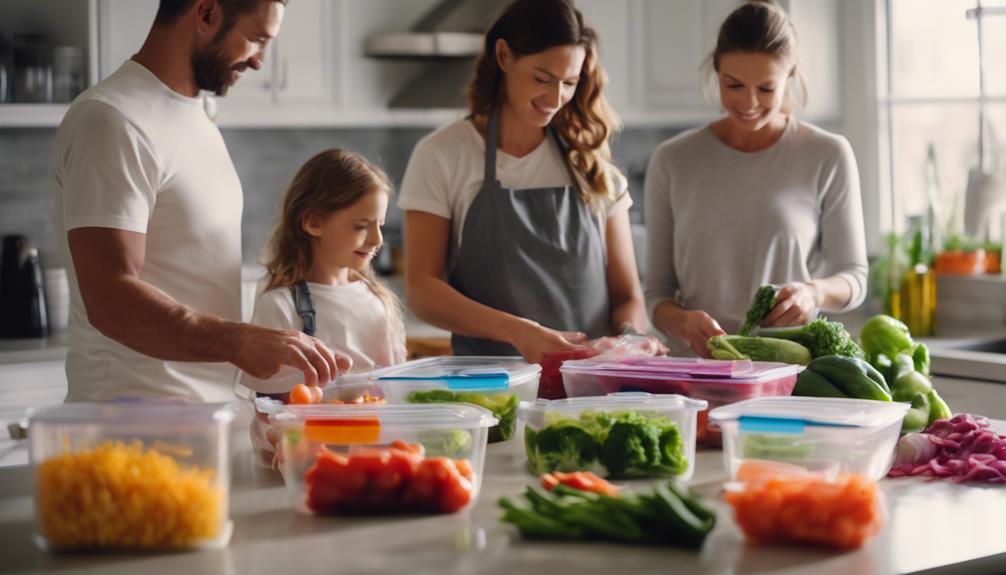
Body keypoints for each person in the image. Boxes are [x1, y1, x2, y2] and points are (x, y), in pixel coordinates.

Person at [51, 0, 348, 402]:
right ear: (206, 14)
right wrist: (241, 341)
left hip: (203, 418)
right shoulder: (112, 119)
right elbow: (111, 297)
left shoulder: (199, 113)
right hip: (130, 423)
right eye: (256, 39)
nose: (260, 61)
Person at [399, 0, 647, 364]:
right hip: (490, 388)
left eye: (569, 83)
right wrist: (518, 331)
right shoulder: (442, 154)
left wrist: (630, 339)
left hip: (589, 389)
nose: (555, 97)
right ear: (503, 56)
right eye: (542, 78)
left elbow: (627, 296)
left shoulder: (590, 162)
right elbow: (422, 290)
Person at [644, 0, 869, 357]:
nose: (748, 102)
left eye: (766, 88)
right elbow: (656, 294)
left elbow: (854, 278)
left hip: (793, 371)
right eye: (733, 85)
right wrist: (682, 323)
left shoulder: (827, 154)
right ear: (716, 71)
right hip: (699, 372)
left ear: (790, 76)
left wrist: (813, 292)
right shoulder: (673, 159)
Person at [240, 149, 406, 469]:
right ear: (314, 222)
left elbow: (393, 393)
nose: (377, 239)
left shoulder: (378, 302)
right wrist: (285, 442)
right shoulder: (280, 306)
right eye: (361, 225)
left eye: (380, 224)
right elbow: (266, 409)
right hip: (302, 468)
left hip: (370, 459)